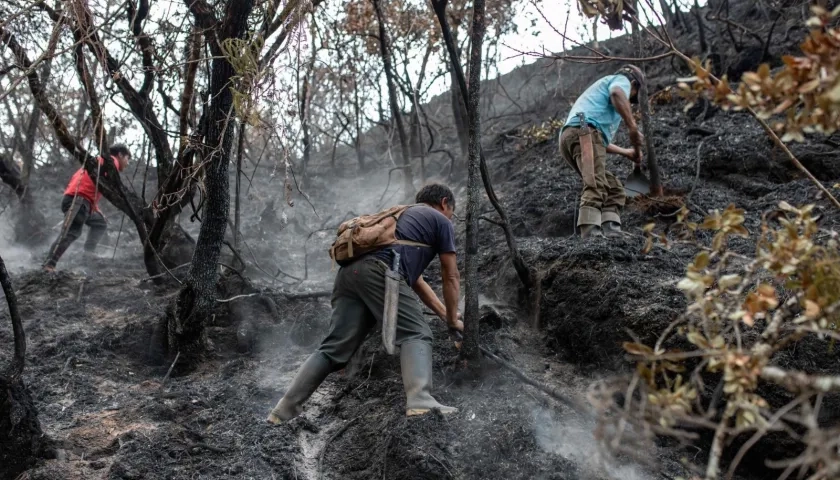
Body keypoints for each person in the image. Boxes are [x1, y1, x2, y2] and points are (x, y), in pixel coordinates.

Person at [267, 183, 463, 423]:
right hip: (379, 272)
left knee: (334, 349)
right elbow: (451, 276)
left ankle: (283, 410)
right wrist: (454, 320)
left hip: (350, 274)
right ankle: (420, 400)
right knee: (417, 333)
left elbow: (418, 283)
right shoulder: (440, 220)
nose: (450, 218)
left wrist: (447, 317)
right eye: (451, 213)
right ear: (444, 203)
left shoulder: (404, 217)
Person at [559, 64, 646, 238]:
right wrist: (632, 127)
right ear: (634, 85)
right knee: (595, 183)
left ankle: (612, 231)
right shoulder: (621, 81)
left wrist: (626, 152)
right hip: (583, 128)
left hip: (577, 134)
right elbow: (617, 93)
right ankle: (590, 234)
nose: (630, 100)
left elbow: (598, 142)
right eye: (633, 97)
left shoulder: (600, 105)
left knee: (613, 188)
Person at [42, 144, 131, 272]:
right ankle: (49, 264)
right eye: (128, 158)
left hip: (82, 201)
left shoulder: (98, 162)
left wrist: (96, 209)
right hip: (78, 200)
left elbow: (89, 187)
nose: (127, 163)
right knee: (71, 232)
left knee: (100, 222)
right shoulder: (112, 162)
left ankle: (88, 253)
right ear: (120, 155)